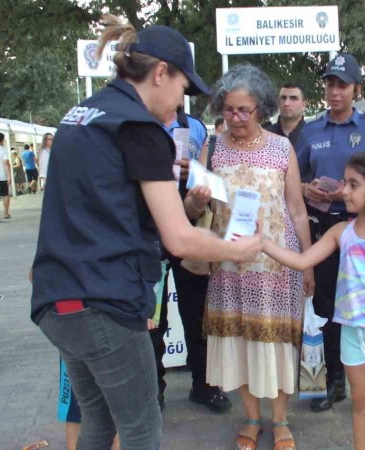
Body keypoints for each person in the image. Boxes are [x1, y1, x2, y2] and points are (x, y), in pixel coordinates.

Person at [29, 15, 261, 450]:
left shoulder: (81, 115)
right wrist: (242, 248)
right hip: (105, 305)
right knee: (141, 428)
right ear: (159, 73)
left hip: (57, 301)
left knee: (98, 422)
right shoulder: (140, 129)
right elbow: (179, 239)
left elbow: (94, 204)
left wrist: (189, 206)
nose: (180, 104)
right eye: (181, 90)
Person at [265, 150, 365, 450]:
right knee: (361, 403)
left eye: (353, 184)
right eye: (345, 183)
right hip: (351, 334)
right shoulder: (340, 232)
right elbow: (301, 260)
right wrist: (263, 243)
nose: (343, 190)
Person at [201, 64, 312, 450]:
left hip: (276, 266)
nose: (235, 118)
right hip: (228, 266)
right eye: (228, 109)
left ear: (262, 109)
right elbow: (193, 208)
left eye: (244, 110)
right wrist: (194, 198)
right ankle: (250, 418)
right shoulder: (212, 148)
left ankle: (280, 420)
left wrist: (308, 261)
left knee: (276, 343)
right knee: (241, 342)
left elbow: (296, 208)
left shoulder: (282, 148)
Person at [295, 52, 365, 418]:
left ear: (356, 90)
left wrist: (351, 195)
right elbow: (296, 178)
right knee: (328, 309)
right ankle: (334, 381)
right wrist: (307, 190)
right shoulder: (312, 130)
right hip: (324, 231)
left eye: (342, 85)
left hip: (363, 232)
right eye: (330, 84)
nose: (335, 91)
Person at [148, 108, 233, 415]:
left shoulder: (194, 127)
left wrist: (194, 173)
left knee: (197, 313)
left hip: (190, 229)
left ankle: (205, 386)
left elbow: (208, 175)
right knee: (152, 318)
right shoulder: (137, 121)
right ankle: (154, 391)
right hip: (148, 233)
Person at [265, 81, 307, 148]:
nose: (286, 103)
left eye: (293, 98)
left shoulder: (312, 135)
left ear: (304, 105)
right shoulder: (265, 136)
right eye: (283, 98)